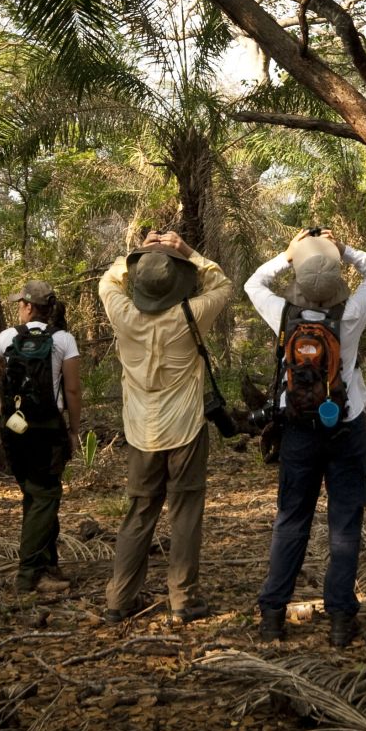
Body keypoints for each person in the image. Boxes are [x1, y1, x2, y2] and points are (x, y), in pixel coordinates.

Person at [245, 229, 366, 648]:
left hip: (298, 429)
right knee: (344, 522)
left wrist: (287, 255)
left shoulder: (284, 314)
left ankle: (272, 614)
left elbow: (254, 283)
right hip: (347, 424)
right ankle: (341, 619)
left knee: (291, 520)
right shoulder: (351, 312)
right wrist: (345, 249)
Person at [98, 229, 232, 623]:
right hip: (186, 427)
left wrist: (144, 252)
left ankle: (119, 599)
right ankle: (183, 599)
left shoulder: (123, 315)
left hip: (141, 430)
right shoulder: (191, 314)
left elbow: (109, 280)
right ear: (178, 283)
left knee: (140, 511)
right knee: (186, 512)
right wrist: (182, 249)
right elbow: (221, 283)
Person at [0, 279, 83, 593]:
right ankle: (28, 574)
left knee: (37, 497)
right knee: (45, 496)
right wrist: (74, 429)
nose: (19, 307)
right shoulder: (64, 340)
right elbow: (72, 389)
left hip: (16, 430)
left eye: (20, 303)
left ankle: (48, 566)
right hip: (49, 428)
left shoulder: (9, 337)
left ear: (29, 306)